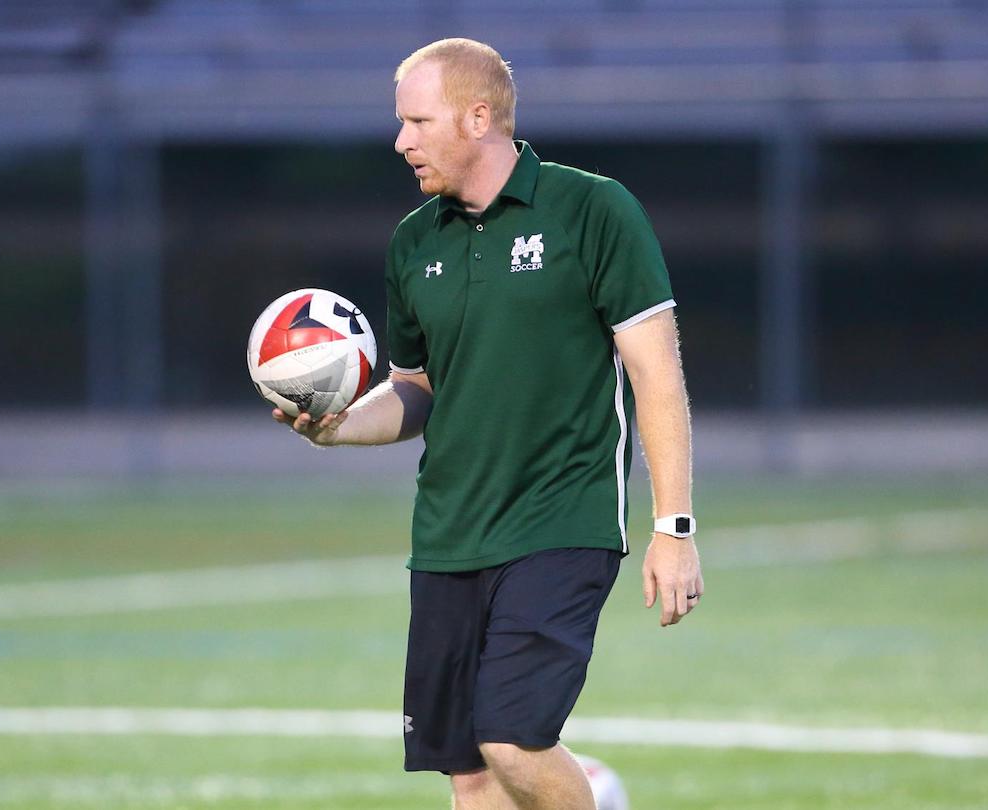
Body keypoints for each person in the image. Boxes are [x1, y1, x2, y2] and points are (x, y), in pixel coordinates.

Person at [273, 37, 701, 810]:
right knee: (470, 774)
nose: (401, 140)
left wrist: (674, 525)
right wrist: (337, 428)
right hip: (447, 533)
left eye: (416, 121)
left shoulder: (592, 209)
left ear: (478, 118)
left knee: (513, 738)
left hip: (559, 523)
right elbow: (416, 391)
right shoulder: (414, 242)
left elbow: (656, 375)